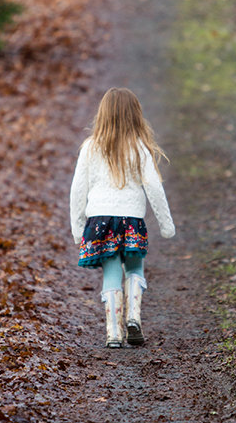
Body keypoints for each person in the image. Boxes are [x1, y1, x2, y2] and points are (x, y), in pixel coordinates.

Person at [70, 88, 175, 348]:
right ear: (135, 115)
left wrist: (77, 226)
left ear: (103, 115)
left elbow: (77, 190)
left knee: (112, 272)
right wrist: (166, 224)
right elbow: (154, 187)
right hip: (131, 219)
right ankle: (133, 318)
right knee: (135, 268)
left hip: (100, 220)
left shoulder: (91, 147)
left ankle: (114, 333)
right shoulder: (140, 148)